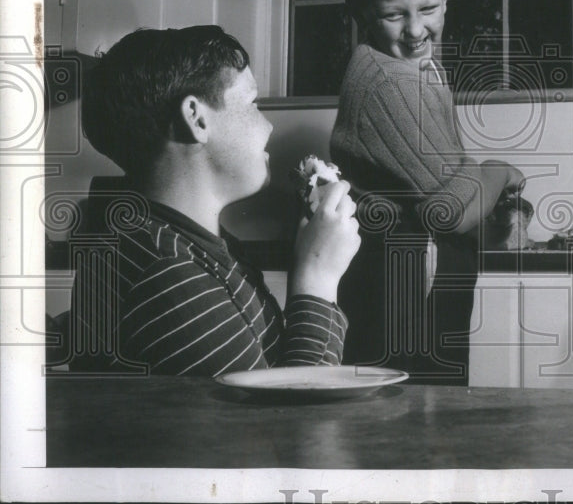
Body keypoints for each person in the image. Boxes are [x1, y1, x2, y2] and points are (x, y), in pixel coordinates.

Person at [68, 25, 360, 375]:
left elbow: (269, 378)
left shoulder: (190, 246)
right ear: (197, 117)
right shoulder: (168, 274)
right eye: (253, 104)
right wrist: (317, 276)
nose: (268, 126)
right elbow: (287, 424)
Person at [329, 0, 524, 384]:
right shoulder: (387, 81)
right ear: (362, 13)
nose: (416, 31)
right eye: (394, 15)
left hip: (423, 282)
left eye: (428, 9)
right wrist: (497, 172)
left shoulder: (418, 70)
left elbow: (448, 184)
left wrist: (480, 190)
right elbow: (450, 210)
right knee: (412, 435)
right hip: (401, 293)